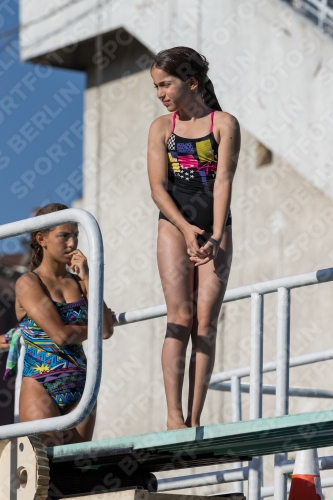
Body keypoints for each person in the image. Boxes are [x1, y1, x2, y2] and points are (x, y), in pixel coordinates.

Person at [148, 47, 241, 430]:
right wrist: (186, 230)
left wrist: (216, 234)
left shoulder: (224, 124)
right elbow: (157, 188)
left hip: (216, 223)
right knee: (179, 317)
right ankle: (173, 417)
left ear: (191, 82)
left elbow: (223, 181)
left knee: (206, 323)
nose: (160, 94)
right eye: (155, 86)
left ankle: (196, 417)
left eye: (165, 84)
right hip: (174, 222)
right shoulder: (161, 128)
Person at [15, 203, 114, 446]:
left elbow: (106, 330)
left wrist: (88, 276)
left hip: (81, 384)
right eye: (64, 236)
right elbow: (59, 335)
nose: (72, 244)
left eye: (76, 236)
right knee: (45, 469)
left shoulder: (79, 283)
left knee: (74, 469)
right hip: (41, 384)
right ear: (42, 239)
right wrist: (92, 326)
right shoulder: (28, 282)